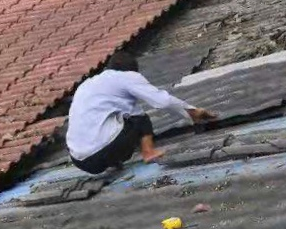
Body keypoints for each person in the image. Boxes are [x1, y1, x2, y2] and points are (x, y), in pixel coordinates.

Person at [66, 51, 216, 175]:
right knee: (140, 118)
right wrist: (192, 111)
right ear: (133, 71)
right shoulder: (126, 76)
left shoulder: (86, 85)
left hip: (81, 161)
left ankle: (113, 162)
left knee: (113, 121)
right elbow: (162, 101)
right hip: (106, 150)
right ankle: (148, 152)